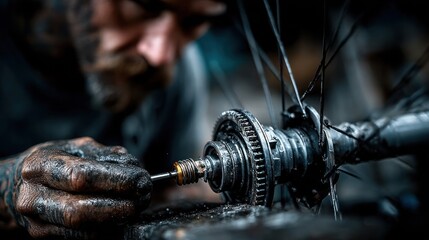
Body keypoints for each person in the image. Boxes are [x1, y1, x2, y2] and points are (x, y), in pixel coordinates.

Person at [0, 0, 227, 238]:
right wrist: (9, 186)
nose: (159, 54)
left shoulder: (178, 75)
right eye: (145, 8)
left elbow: (188, 194)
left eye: (194, 22)